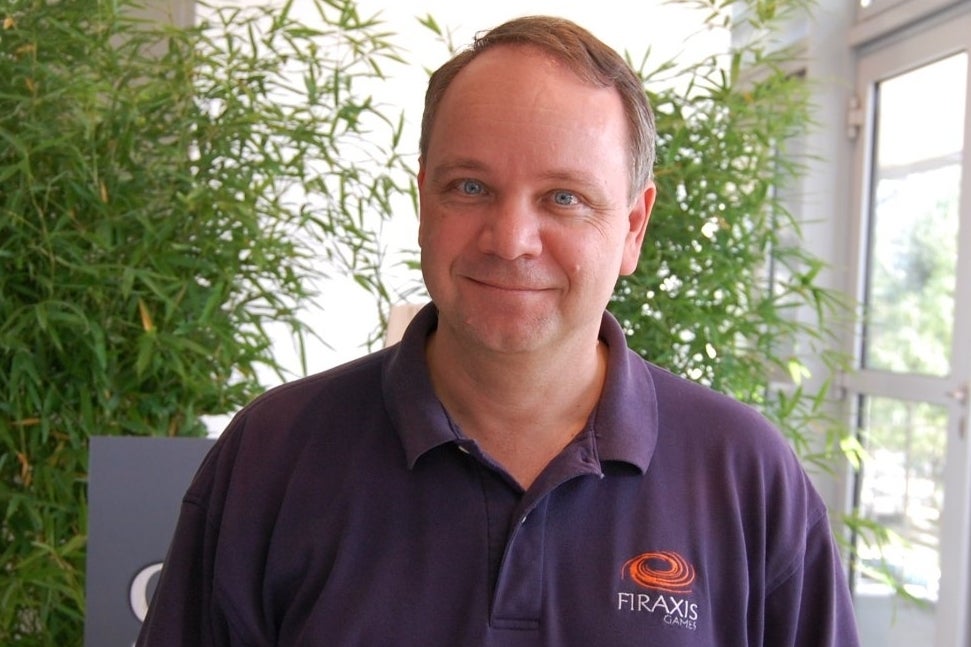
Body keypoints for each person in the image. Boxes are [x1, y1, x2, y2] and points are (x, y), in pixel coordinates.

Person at [136, 15, 860, 647]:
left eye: (564, 197)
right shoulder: (272, 455)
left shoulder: (745, 477)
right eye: (470, 187)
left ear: (633, 226)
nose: (510, 240)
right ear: (423, 201)